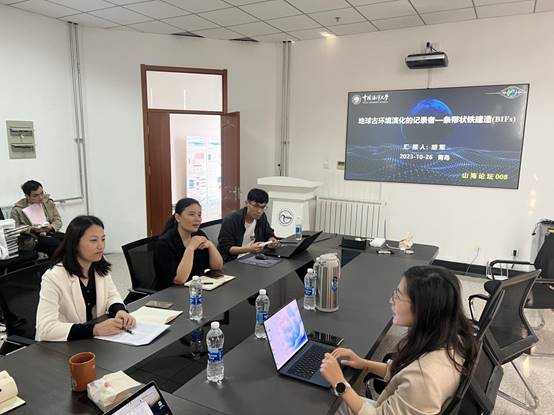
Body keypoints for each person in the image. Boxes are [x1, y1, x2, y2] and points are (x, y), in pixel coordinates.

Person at [320, 265, 477, 415]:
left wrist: (339, 383)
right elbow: (405, 372)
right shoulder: (451, 338)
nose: (391, 300)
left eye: (398, 296)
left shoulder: (424, 378)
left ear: (421, 308)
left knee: (325, 404)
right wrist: (364, 364)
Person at [35, 215, 135, 342]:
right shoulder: (53, 277)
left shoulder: (99, 264)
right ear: (75, 243)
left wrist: (120, 311)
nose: (101, 246)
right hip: (65, 344)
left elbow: (111, 295)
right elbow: (45, 328)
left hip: (93, 341)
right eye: (94, 240)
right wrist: (95, 329)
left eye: (103, 239)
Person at [154, 198, 223, 290]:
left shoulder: (199, 234)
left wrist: (210, 245)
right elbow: (179, 280)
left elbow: (217, 266)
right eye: (191, 214)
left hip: (195, 287)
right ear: (178, 217)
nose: (197, 219)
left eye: (199, 215)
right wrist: (190, 248)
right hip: (170, 292)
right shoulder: (164, 243)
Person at [217, 188, 278, 262]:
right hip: (233, 260)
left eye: (263, 207)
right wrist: (249, 249)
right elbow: (226, 249)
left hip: (254, 257)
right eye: (256, 206)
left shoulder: (261, 217)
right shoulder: (231, 220)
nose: (259, 211)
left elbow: (269, 233)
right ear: (246, 203)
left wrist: (271, 240)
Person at [10, 180, 64, 258]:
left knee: (69, 240)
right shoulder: (17, 209)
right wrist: (32, 229)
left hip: (49, 232)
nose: (41, 197)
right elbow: (15, 229)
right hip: (31, 238)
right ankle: (55, 264)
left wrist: (51, 227)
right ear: (27, 196)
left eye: (42, 193)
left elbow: (58, 220)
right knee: (54, 244)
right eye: (35, 195)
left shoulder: (48, 202)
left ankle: (68, 264)